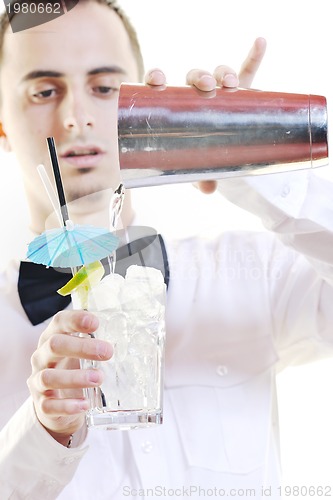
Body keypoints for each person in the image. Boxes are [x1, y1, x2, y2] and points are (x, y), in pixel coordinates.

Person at [0, 1, 333, 499]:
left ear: (136, 99)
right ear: (2, 122)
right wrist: (43, 431)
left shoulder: (250, 272)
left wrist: (249, 155)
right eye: (45, 91)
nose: (76, 117)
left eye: (105, 88)